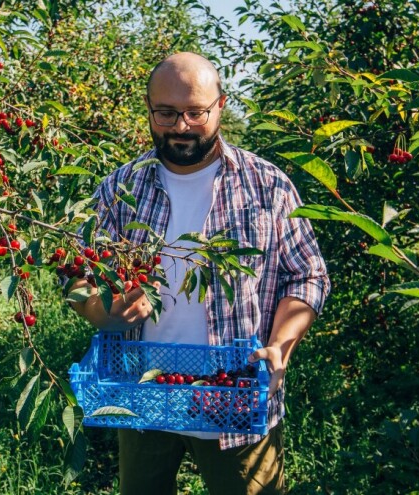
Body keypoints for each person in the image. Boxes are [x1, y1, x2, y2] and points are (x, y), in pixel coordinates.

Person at [69, 52, 330, 495]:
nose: (181, 126)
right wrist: (101, 311)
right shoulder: (120, 188)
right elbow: (76, 274)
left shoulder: (267, 186)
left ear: (221, 106)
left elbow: (307, 275)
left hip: (239, 399)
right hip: (143, 396)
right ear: (149, 111)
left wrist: (281, 347)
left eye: (196, 112)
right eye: (166, 113)